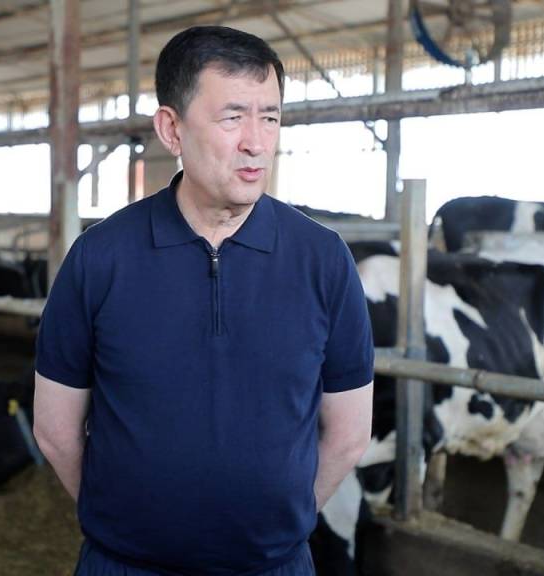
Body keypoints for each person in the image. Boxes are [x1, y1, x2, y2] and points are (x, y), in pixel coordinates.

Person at [33, 25, 374, 576]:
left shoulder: (323, 260)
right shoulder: (101, 258)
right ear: (171, 129)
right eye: (233, 117)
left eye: (270, 118)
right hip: (125, 566)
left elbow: (351, 434)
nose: (256, 142)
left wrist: (278, 527)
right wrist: (124, 529)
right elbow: (54, 430)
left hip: (273, 566)